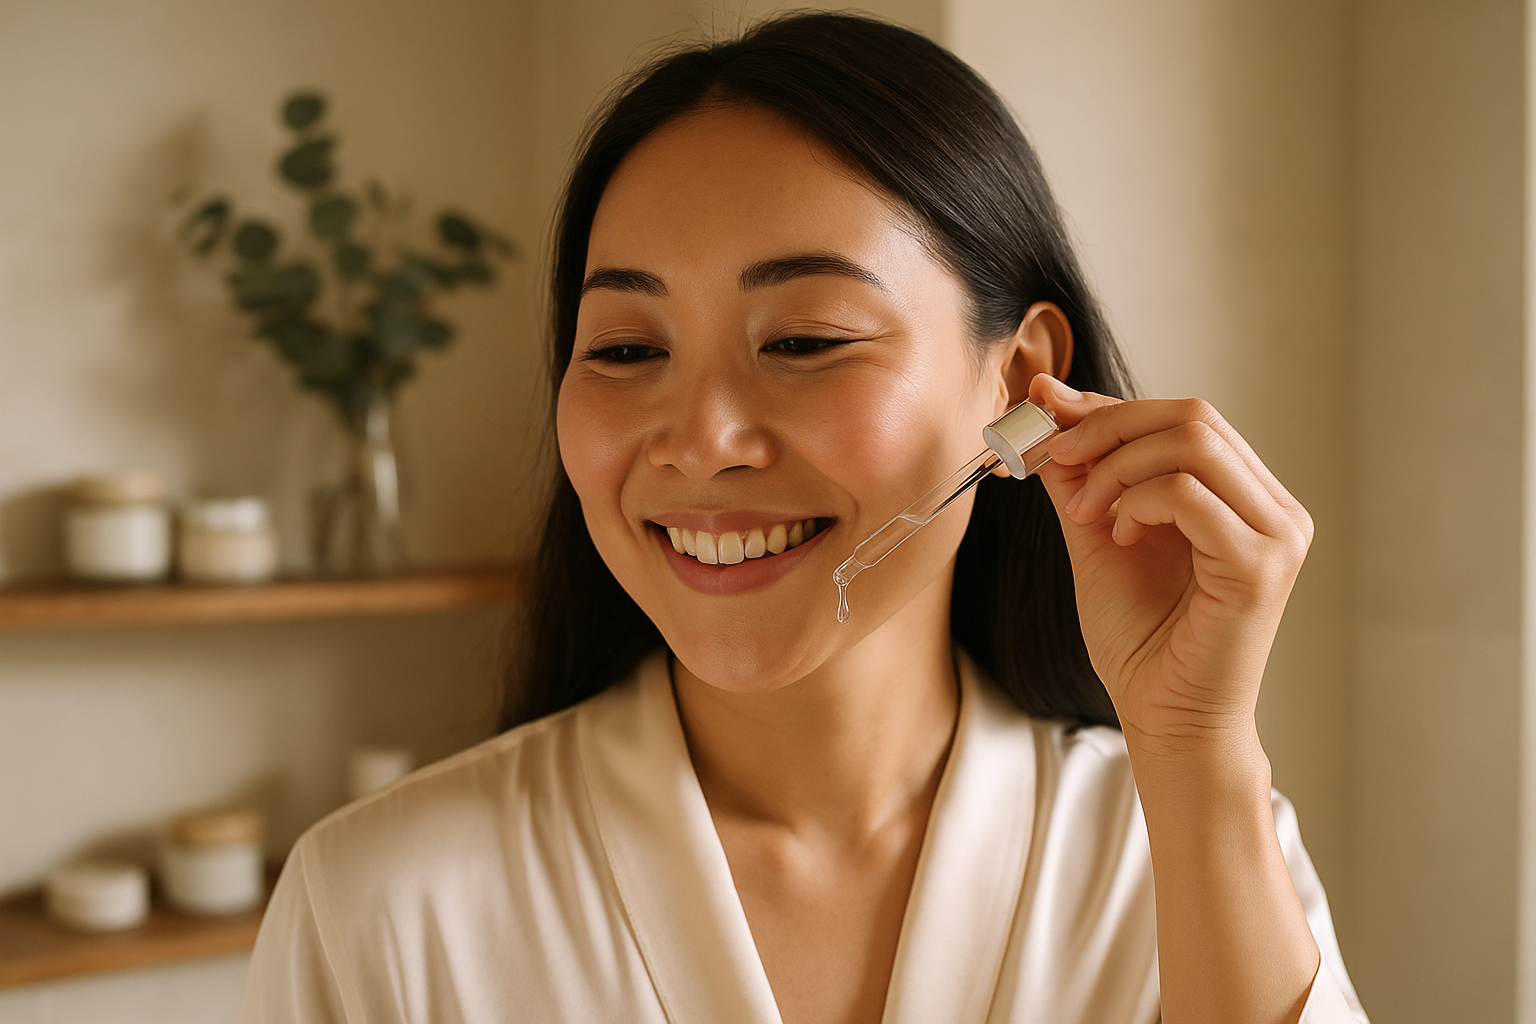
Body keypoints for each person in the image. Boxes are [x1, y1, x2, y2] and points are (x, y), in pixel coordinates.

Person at [242, 13, 1369, 1024]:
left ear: (1022, 379)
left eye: (805, 341)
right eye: (626, 350)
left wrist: (1193, 749)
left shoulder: (1183, 844)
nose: (702, 440)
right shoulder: (377, 903)